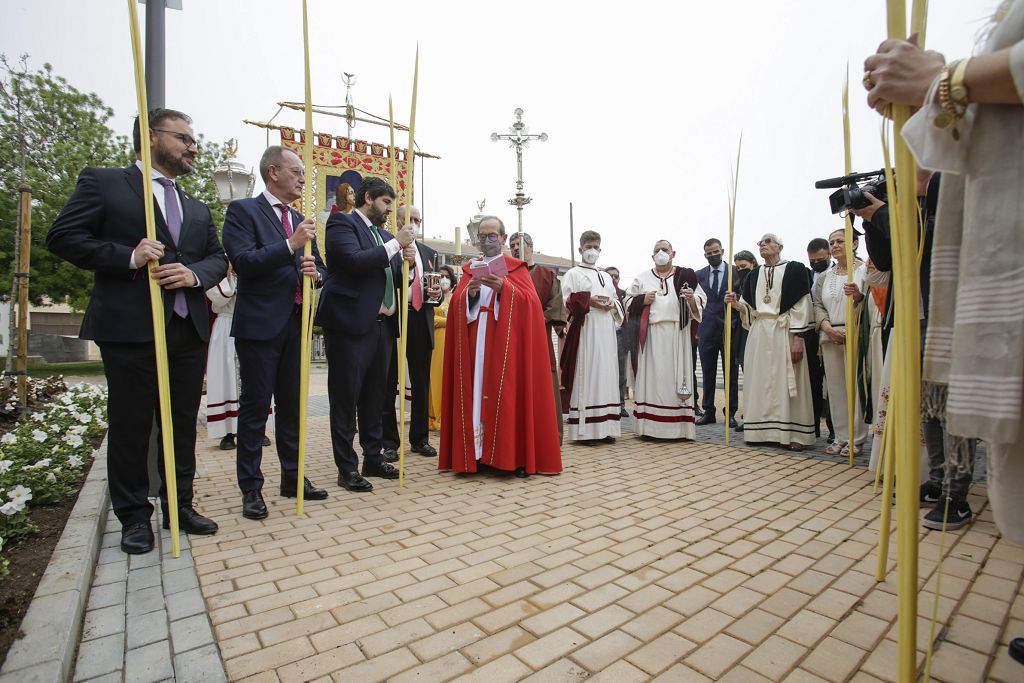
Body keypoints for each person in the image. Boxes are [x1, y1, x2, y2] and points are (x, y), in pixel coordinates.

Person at [46, 108, 225, 553]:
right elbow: (63, 236)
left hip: (186, 328)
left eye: (193, 138)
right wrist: (128, 255)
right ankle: (133, 517)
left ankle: (178, 505)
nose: (192, 146)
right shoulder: (104, 183)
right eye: (183, 137)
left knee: (181, 423)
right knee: (131, 424)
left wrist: (194, 274)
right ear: (151, 136)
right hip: (131, 328)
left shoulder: (196, 206)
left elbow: (217, 257)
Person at [222, 146, 329, 520]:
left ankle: (293, 476)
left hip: (296, 323)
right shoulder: (243, 212)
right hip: (260, 326)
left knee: (293, 406)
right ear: (273, 172)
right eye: (297, 171)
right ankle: (251, 488)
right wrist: (290, 245)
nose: (303, 178)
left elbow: (321, 269)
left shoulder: (300, 218)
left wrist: (316, 271)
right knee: (255, 409)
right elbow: (245, 263)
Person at [438, 216, 561, 477]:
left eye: (492, 235)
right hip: (475, 343)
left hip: (504, 347)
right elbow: (457, 304)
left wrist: (505, 289)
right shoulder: (471, 269)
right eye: (482, 236)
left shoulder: (517, 269)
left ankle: (509, 456)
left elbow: (532, 306)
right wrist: (468, 295)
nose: (486, 240)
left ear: (503, 239)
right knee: (476, 395)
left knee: (505, 395)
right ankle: (478, 455)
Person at [315, 177, 415, 492]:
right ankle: (347, 467)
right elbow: (354, 262)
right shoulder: (341, 225)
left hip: (383, 325)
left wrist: (408, 267)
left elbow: (394, 278)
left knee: (377, 396)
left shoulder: (384, 235)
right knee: (346, 397)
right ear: (368, 198)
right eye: (386, 203)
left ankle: (373, 456)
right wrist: (396, 244)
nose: (389, 210)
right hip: (350, 323)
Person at [725, 233, 815, 451]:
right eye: (760, 243)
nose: (763, 245)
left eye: (768, 242)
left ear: (780, 246)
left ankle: (794, 434)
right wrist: (737, 305)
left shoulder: (795, 270)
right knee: (760, 380)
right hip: (759, 333)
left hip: (785, 332)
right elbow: (750, 309)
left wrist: (798, 338)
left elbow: (802, 305)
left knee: (788, 380)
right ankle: (761, 431)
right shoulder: (754, 275)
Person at [625, 240, 705, 440]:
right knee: (652, 380)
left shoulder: (686, 276)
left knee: (676, 379)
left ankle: (679, 429)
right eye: (657, 250)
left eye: (665, 250)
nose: (661, 253)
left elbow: (701, 300)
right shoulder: (642, 277)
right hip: (651, 336)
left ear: (673, 253)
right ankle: (650, 428)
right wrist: (641, 300)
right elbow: (626, 301)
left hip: (678, 333)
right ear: (652, 256)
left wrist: (691, 299)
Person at [381, 206, 442, 462]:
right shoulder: (387, 247)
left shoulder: (429, 253)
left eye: (418, 220)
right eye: (409, 219)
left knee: (421, 382)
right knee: (388, 383)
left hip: (421, 318)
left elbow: (434, 290)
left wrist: (436, 295)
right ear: (396, 221)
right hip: (396, 316)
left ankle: (419, 438)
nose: (414, 224)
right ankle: (389, 443)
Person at [559, 230, 623, 444]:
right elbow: (564, 299)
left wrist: (613, 304)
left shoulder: (606, 275)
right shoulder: (573, 274)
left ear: (600, 249)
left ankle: (605, 427)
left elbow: (617, 300)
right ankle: (586, 430)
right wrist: (589, 300)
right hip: (587, 328)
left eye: (596, 247)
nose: (592, 251)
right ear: (580, 249)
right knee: (589, 373)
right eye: (588, 247)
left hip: (606, 328)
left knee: (606, 374)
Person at [812, 229, 869, 457]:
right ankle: (842, 436)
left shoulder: (864, 270)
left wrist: (857, 297)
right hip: (829, 334)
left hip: (855, 332)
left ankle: (857, 438)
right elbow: (818, 305)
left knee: (855, 387)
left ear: (854, 243)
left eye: (840, 241)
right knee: (835, 389)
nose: (835, 245)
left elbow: (874, 298)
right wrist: (826, 327)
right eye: (832, 242)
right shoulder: (826, 276)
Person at [510, 232, 568, 445]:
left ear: (531, 246)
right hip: (513, 340)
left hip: (539, 340)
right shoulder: (508, 274)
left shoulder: (546, 275)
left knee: (544, 387)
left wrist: (534, 319)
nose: (516, 248)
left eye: (519, 244)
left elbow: (555, 307)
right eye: (512, 245)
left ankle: (549, 436)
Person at [695, 238, 739, 427]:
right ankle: (708, 411)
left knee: (731, 372)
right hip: (706, 329)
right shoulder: (699, 275)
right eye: (709, 253)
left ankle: (730, 412)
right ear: (705, 254)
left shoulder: (735, 272)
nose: (713, 255)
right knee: (707, 372)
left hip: (730, 326)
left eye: (715, 252)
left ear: (722, 251)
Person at [805, 237, 835, 443]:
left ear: (829, 255)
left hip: (833, 331)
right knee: (812, 382)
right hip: (811, 335)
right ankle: (813, 425)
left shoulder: (836, 275)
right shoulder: (807, 276)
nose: (816, 263)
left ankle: (834, 428)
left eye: (820, 259)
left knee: (833, 383)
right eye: (812, 260)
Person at [206, 266, 239, 450]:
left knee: (251, 376)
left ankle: (257, 428)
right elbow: (217, 297)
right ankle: (227, 432)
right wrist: (229, 275)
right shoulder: (218, 267)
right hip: (226, 325)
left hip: (250, 322)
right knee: (226, 377)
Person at [428, 264, 459, 431]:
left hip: (452, 342)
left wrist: (447, 322)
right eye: (440, 276)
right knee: (436, 378)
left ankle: (448, 415)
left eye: (447, 276)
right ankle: (435, 415)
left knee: (449, 378)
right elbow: (430, 320)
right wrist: (449, 322)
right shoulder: (432, 297)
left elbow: (462, 318)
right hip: (436, 344)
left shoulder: (456, 297)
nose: (444, 279)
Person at [604, 266, 630, 418]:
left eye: (616, 276)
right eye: (610, 276)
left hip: (620, 335)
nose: (613, 279)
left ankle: (621, 405)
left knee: (621, 372)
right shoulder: (598, 292)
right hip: (604, 335)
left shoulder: (624, 294)